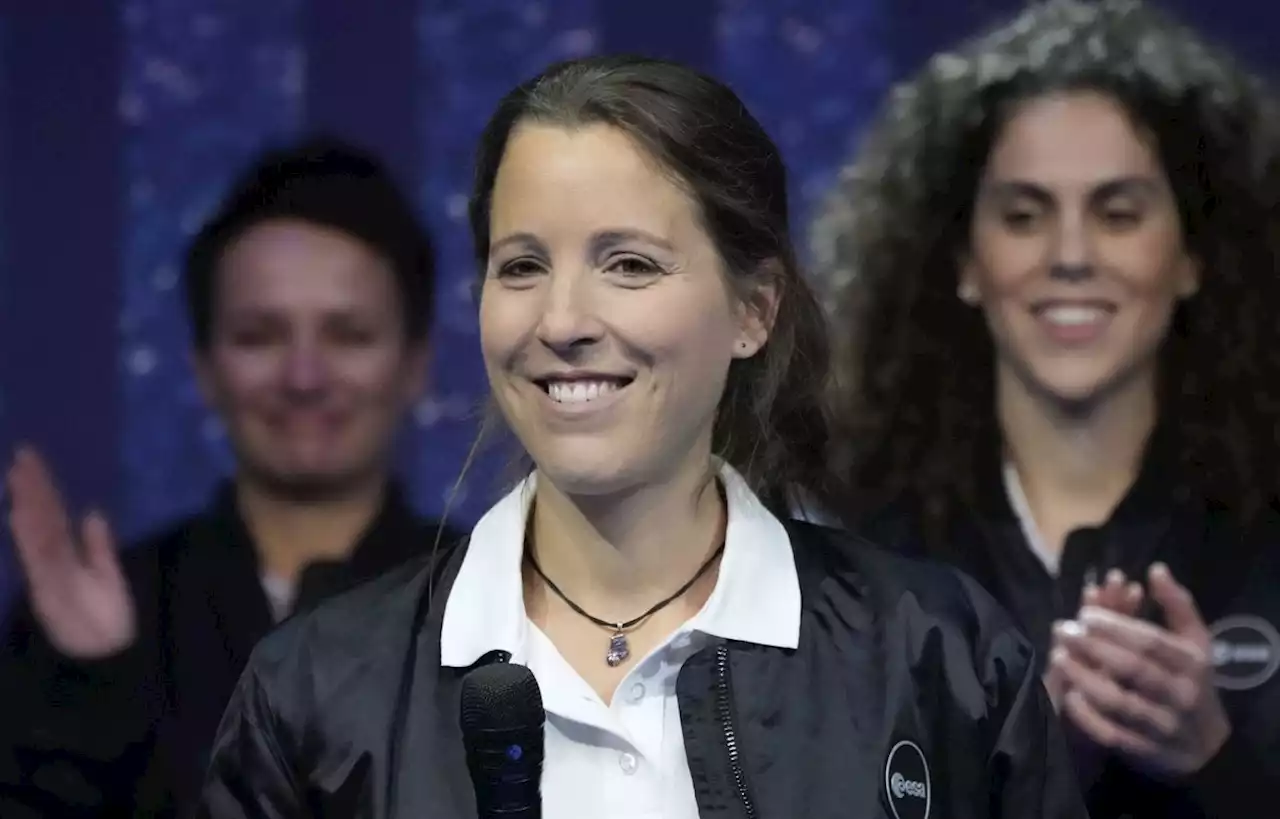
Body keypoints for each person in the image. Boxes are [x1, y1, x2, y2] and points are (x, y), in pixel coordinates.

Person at [197, 55, 1086, 819]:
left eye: (629, 264)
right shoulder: (319, 689)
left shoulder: (937, 657)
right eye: (522, 266)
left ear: (753, 310)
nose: (563, 319)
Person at [814, 1, 1280, 816]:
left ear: (1194, 256)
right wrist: (1033, 756)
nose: (1069, 256)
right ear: (963, 259)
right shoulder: (842, 544)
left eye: (1118, 213)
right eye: (1024, 216)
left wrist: (1213, 758)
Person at [0, 139, 460, 818]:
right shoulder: (94, 620)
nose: (304, 376)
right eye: (259, 335)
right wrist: (88, 694)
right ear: (204, 368)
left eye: (349, 334)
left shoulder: (512, 609)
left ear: (416, 363)